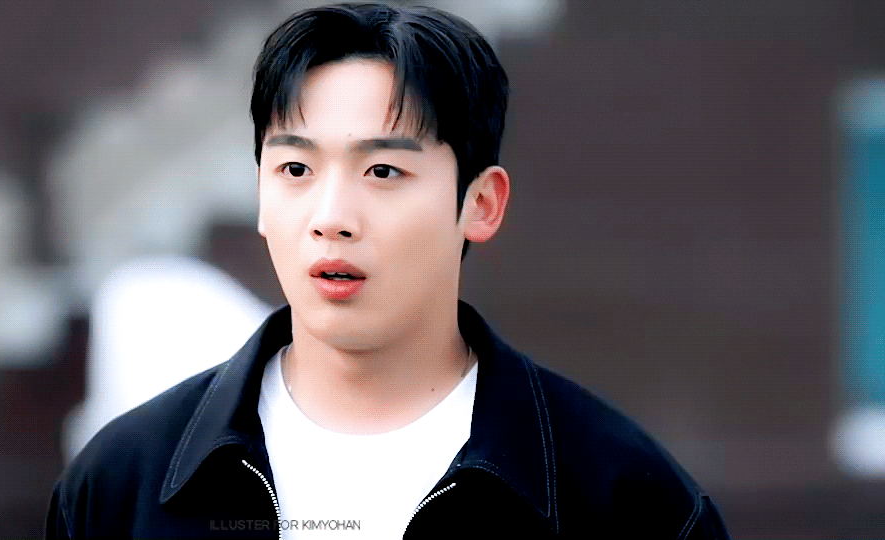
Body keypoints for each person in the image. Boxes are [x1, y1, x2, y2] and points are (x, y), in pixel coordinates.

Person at [46, 3, 730, 538]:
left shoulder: (623, 499)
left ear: (481, 204)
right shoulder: (122, 485)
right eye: (295, 169)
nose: (332, 217)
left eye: (382, 171)